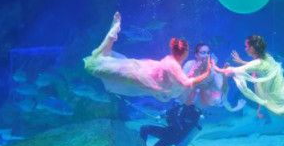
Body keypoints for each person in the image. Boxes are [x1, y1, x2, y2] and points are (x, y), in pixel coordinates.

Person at [84, 12, 213, 101]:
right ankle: (113, 31)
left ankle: (113, 32)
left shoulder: (172, 61)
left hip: (142, 71)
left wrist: (193, 72)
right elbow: (186, 83)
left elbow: (181, 80)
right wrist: (207, 72)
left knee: (100, 59)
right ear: (185, 52)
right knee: (95, 63)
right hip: (140, 74)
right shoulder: (173, 65)